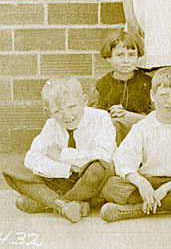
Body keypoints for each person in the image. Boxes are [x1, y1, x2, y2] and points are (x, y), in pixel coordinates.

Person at [100, 67, 171, 222]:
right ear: (153, 95)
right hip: (149, 180)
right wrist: (141, 183)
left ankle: (134, 211)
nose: (169, 102)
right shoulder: (142, 127)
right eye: (164, 95)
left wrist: (166, 189)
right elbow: (123, 159)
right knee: (111, 186)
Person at [4, 77, 115, 222]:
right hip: (62, 177)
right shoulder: (51, 125)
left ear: (84, 100)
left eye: (72, 107)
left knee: (98, 168)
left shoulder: (101, 118)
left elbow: (103, 155)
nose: (67, 116)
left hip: (90, 181)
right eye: (58, 111)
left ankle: (48, 202)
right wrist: (67, 169)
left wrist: (62, 155)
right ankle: (65, 205)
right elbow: (32, 157)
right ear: (48, 111)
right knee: (12, 167)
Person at [91, 30, 152, 143]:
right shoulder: (101, 85)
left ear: (138, 56)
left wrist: (128, 116)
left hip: (143, 136)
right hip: (113, 139)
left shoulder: (148, 83)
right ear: (109, 58)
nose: (126, 61)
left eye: (131, 55)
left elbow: (157, 117)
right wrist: (110, 115)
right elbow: (92, 118)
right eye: (120, 55)